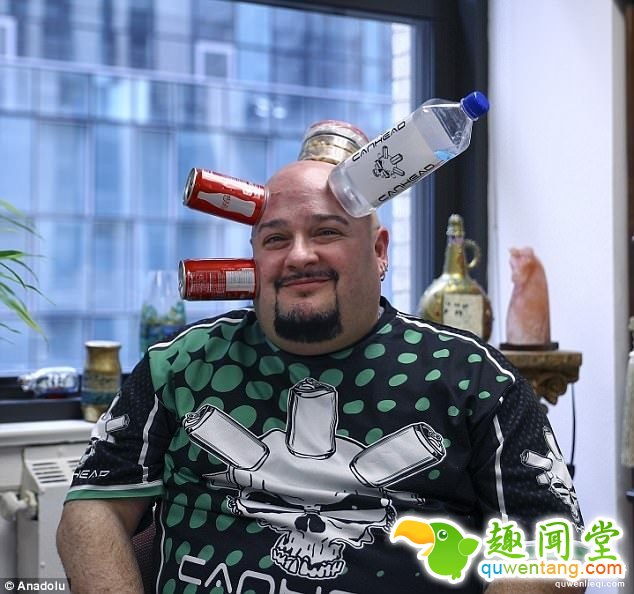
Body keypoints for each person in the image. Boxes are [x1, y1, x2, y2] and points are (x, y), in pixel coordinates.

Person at [57, 148, 586, 593]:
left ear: (378, 250)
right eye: (275, 239)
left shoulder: (473, 377)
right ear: (253, 258)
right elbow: (91, 511)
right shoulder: (181, 364)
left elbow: (555, 550)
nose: (299, 256)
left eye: (327, 232)